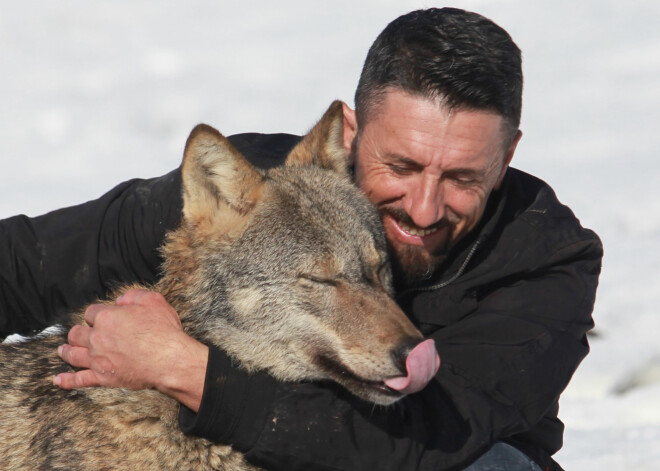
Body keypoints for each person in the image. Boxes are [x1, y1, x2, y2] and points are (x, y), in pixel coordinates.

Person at [0, 8, 602, 471]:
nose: (424, 207)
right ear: (348, 133)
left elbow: (430, 439)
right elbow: (25, 265)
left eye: (462, 177)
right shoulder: (245, 195)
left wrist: (183, 367)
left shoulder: (547, 264)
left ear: (508, 156)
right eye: (402, 166)